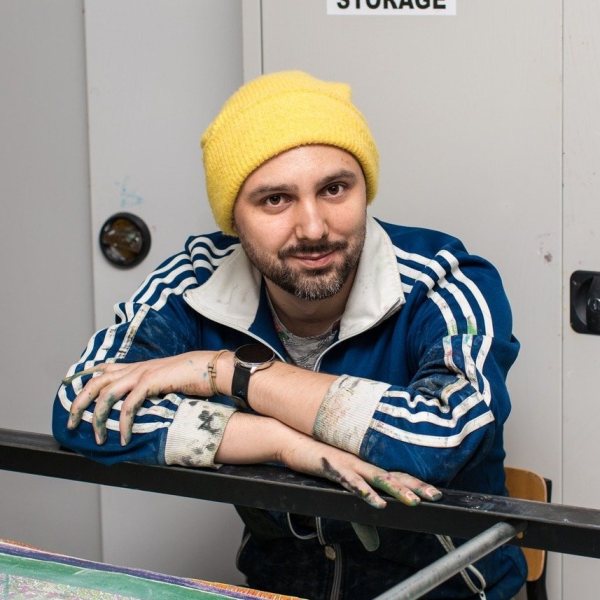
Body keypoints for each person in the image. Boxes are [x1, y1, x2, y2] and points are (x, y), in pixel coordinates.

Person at [53, 70, 526, 599]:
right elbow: (82, 407)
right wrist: (283, 444)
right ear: (233, 219)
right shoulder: (197, 278)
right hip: (280, 588)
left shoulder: (442, 279)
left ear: (365, 188)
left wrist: (229, 373)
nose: (314, 228)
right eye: (275, 199)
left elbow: (442, 437)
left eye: (334, 189)